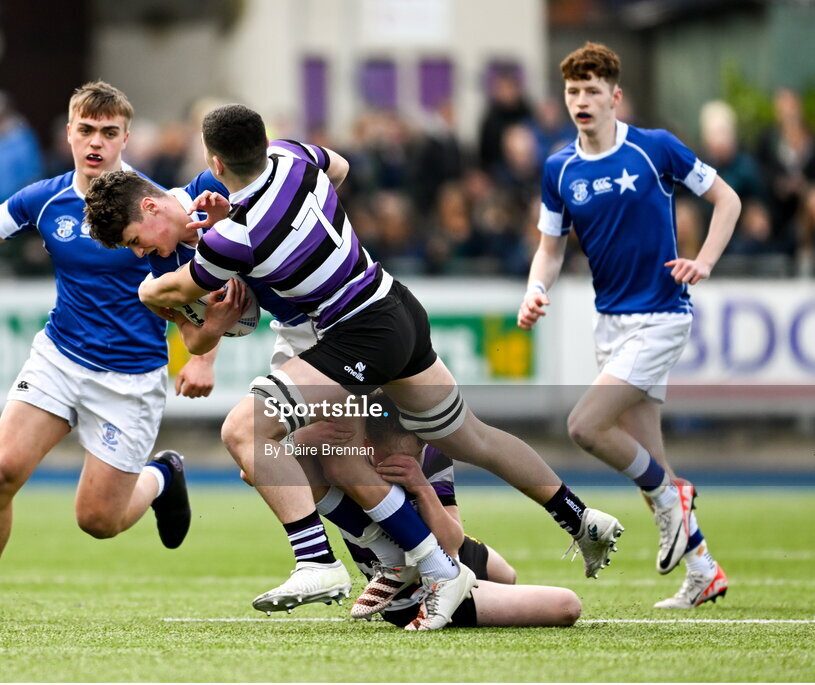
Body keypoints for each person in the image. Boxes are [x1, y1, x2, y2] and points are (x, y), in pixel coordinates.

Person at [86, 105, 625, 630]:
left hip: (347, 334)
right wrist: (291, 229)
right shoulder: (291, 157)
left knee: (275, 442)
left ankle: (362, 566)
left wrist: (156, 293)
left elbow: (186, 297)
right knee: (462, 438)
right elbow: (337, 170)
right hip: (391, 303)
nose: (142, 254)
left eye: (136, 242)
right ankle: (577, 518)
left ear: (212, 166)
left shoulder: (232, 236)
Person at [0, 81, 222, 622]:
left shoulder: (160, 207)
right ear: (68, 133)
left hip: (130, 379)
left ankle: (162, 477)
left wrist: (202, 358)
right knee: (0, 473)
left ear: (125, 139)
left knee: (98, 520)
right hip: (59, 359)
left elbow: (205, 289)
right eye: (86, 130)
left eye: (108, 133)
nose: (95, 143)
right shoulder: (47, 199)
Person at [519, 43, 739, 609]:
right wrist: (536, 289)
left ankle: (674, 496)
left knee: (585, 427)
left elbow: (728, 199)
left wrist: (705, 261)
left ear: (615, 96)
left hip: (662, 316)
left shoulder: (654, 148)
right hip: (609, 323)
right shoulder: (558, 168)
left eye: (593, 90)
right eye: (573, 91)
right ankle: (703, 571)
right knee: (647, 454)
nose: (582, 100)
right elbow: (549, 249)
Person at [332, 392, 582, 629]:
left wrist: (422, 487)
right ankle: (451, 601)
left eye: (414, 454)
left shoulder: (431, 452)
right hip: (412, 592)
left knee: (506, 575)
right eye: (391, 459)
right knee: (566, 605)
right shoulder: (346, 466)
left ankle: (479, 591)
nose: (406, 464)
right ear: (366, 444)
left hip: (445, 551)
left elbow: (452, 543)